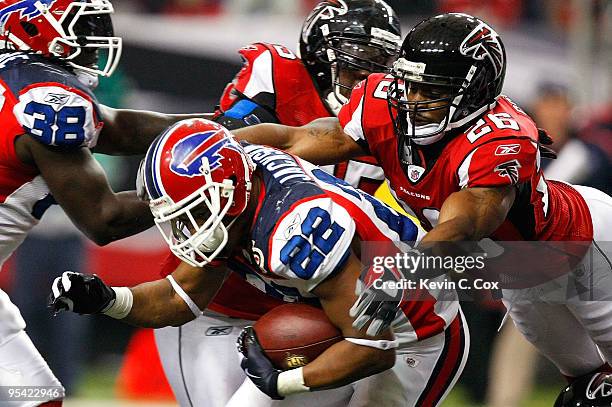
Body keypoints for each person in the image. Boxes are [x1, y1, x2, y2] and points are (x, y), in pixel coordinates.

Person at [232, 12, 612, 383]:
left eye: (431, 90)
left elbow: (462, 227)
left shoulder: (498, 141)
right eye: (409, 84)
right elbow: (296, 138)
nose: (412, 98)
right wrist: (219, 145)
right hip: (518, 272)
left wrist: (401, 278)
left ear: (474, 92)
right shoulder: (383, 105)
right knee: (585, 385)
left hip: (582, 247)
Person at [49, 118, 469, 407]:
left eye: (193, 212)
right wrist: (107, 299)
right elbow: (181, 299)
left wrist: (283, 381)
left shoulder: (297, 230)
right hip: (350, 319)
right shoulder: (236, 199)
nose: (187, 228)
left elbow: (373, 349)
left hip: (416, 328)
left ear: (228, 191)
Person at [153, 1, 403, 405]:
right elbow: (219, 146)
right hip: (221, 296)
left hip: (312, 303)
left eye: (379, 64)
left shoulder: (392, 116)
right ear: (322, 59)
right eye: (357, 64)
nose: (367, 77)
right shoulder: (278, 78)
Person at [0, 1, 209, 405]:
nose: (94, 45)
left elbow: (120, 128)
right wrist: (199, 185)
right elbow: (105, 220)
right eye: (83, 32)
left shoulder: (21, 84)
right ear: (39, 33)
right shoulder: (45, 103)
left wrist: (218, 126)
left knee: (36, 398)